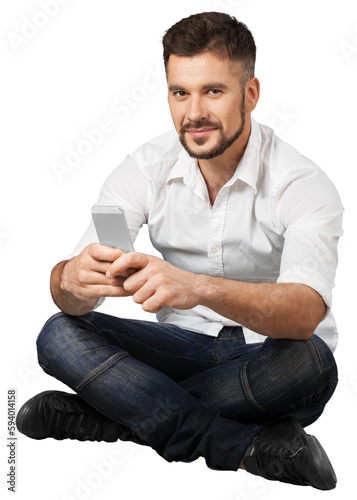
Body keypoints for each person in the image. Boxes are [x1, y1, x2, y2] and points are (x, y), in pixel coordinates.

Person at [16, 12, 343, 490]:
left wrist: (197, 287)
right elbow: (79, 291)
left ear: (250, 94)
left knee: (311, 362)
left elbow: (304, 314)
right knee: (59, 335)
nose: (194, 113)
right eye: (179, 93)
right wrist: (70, 280)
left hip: (269, 358)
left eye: (213, 91)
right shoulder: (142, 169)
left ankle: (112, 417)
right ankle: (242, 447)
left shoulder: (303, 183)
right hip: (178, 350)